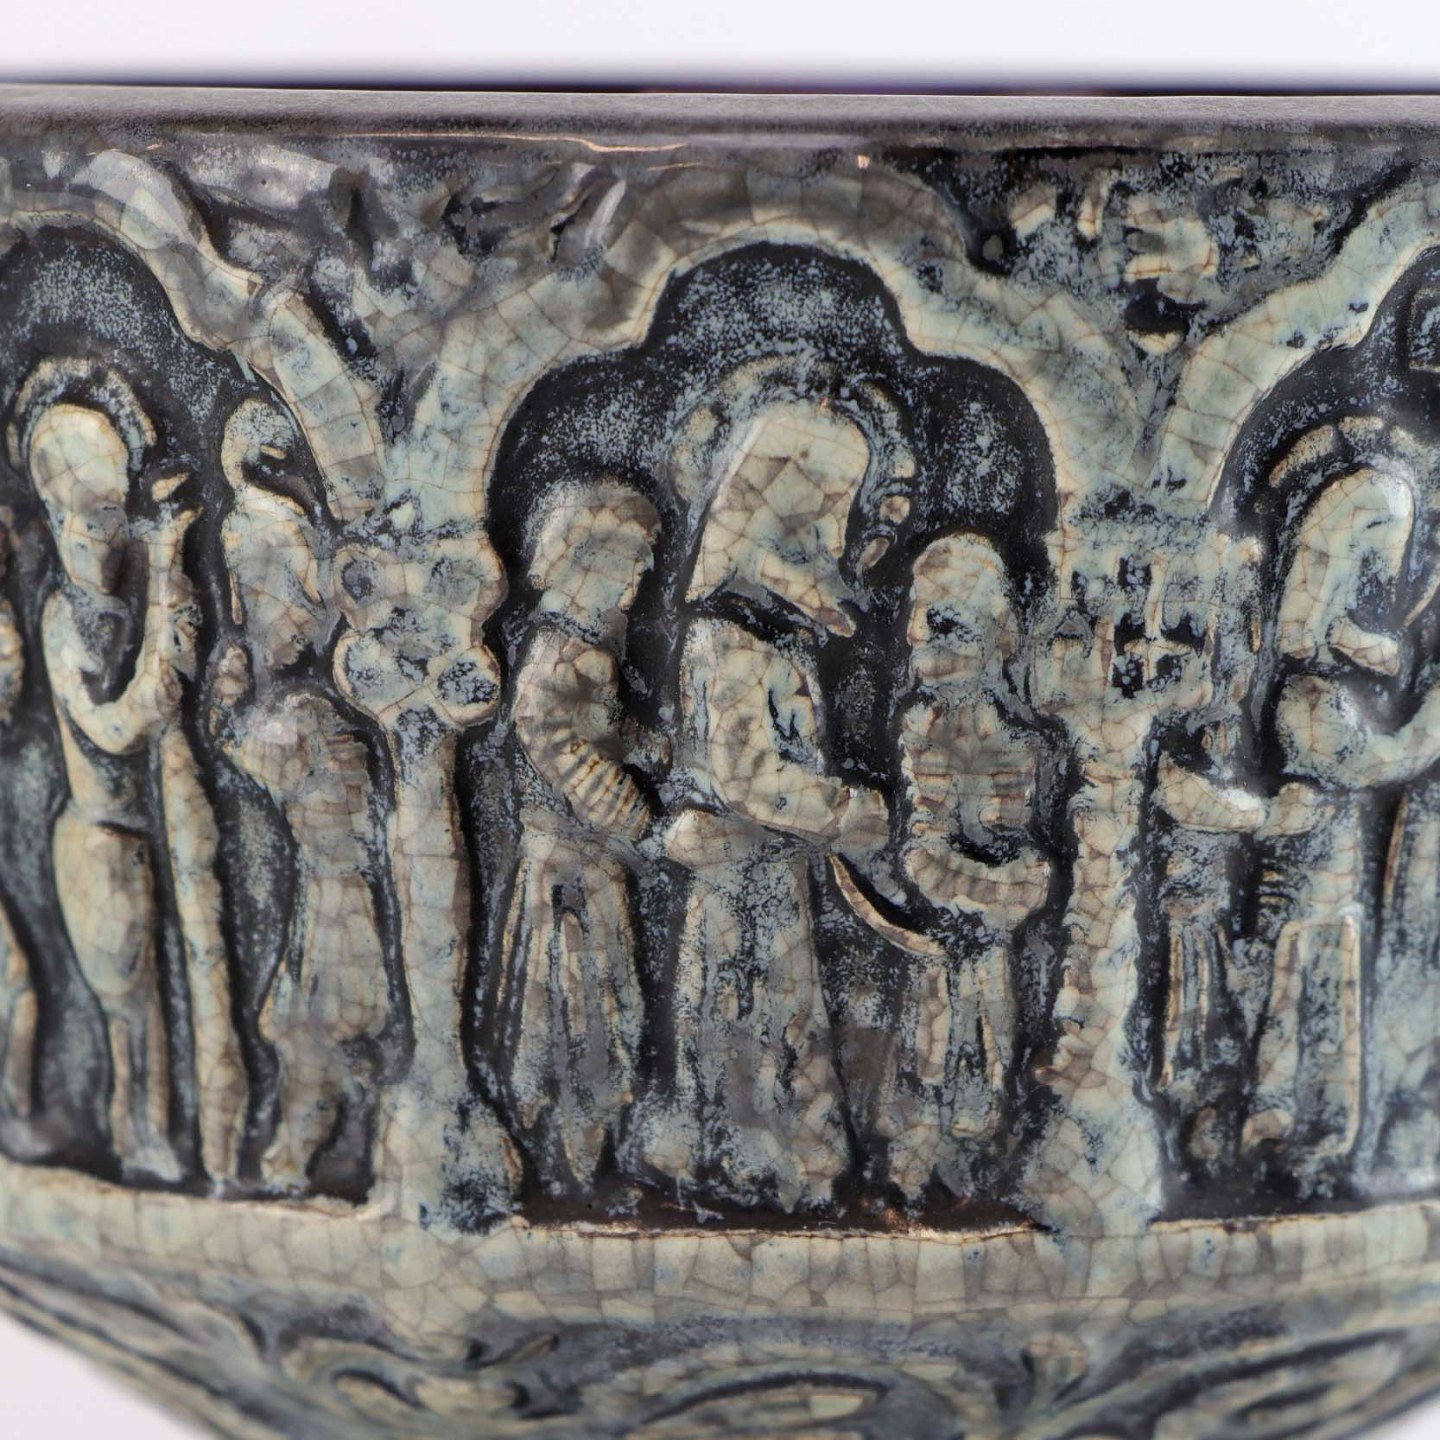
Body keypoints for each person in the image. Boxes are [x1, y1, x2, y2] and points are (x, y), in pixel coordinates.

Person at [627, 400, 888, 1213]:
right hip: (738, 864)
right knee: (742, 1010)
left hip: (774, 866)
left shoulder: (774, 632)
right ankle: (741, 1157)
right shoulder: (727, 637)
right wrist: (847, 810)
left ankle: (786, 1154)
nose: (829, 541)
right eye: (816, 517)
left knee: (779, 1009)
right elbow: (746, 777)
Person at [209, 398, 389, 1192]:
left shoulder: (310, 715)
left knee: (309, 1025)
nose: (255, 612)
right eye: (250, 591)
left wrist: (227, 702)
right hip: (329, 900)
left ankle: (307, 1151)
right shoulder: (298, 705)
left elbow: (257, 754)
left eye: (275, 590)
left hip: (344, 908)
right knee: (298, 1024)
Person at [1244, 460, 1440, 1185]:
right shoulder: (1307, 696)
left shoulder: (1327, 686)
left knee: (1327, 998)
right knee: (1296, 995)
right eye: (1365, 574)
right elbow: (1379, 760)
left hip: (1333, 888)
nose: (1377, 606)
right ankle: (1280, 1122)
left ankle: (1323, 1130)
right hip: (1303, 892)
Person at [25, 398, 195, 1181]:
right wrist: (168, 571)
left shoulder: (105, 608)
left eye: (110, 522)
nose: (103, 540)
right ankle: (138, 1137)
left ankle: (146, 1133)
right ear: (59, 526)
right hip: (97, 838)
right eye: (89, 524)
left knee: (146, 1006)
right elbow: (120, 724)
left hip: (128, 836)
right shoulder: (66, 621)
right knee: (130, 1010)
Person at [486, 478, 662, 1196]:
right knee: (571, 1009)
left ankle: (587, 1149)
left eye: (639, 567)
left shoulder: (588, 652)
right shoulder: (555, 658)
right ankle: (569, 1158)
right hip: (568, 871)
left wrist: (647, 747)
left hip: (591, 865)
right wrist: (632, 813)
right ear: (575, 563)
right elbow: (557, 745)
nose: (634, 584)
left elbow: (602, 731)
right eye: (624, 565)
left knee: (599, 1008)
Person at [889, 533, 1051, 1199]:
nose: (925, 645)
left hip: (991, 942)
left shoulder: (1017, 743)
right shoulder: (920, 729)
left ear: (996, 637)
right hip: (939, 937)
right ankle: (922, 1159)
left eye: (947, 627)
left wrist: (994, 887)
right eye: (922, 625)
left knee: (992, 1049)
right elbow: (922, 850)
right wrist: (981, 886)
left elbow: (1028, 865)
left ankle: (984, 1154)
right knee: (930, 1056)